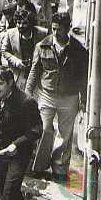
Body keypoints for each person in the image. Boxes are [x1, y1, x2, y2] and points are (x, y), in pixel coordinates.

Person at [26, 12, 88, 181]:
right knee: (45, 130)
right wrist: (27, 93)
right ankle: (39, 167)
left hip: (69, 97)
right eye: (53, 29)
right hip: (47, 94)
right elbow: (34, 70)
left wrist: (84, 100)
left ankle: (60, 169)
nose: (55, 33)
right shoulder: (42, 46)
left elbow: (83, 76)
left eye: (59, 30)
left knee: (65, 135)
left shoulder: (79, 50)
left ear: (67, 29)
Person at [0, 65, 43, 200]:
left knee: (8, 192)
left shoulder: (26, 102)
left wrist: (16, 144)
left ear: (10, 82)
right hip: (0, 152)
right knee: (4, 186)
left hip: (18, 154)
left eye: (0, 83)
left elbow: (37, 129)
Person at [0, 9, 47, 90]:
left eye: (24, 23)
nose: (20, 26)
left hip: (38, 74)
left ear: (31, 24)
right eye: (18, 23)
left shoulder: (42, 33)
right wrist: (17, 62)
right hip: (18, 74)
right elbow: (4, 50)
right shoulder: (10, 33)